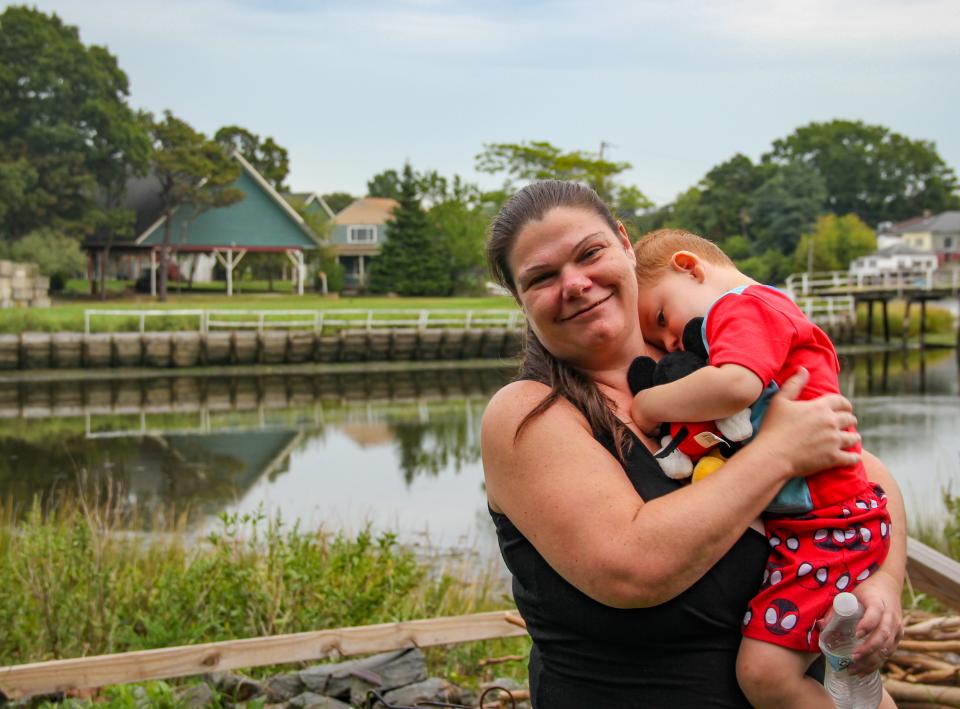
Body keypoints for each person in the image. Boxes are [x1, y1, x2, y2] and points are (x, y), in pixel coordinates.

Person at [482, 180, 905, 708]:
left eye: (589, 253)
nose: (575, 284)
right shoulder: (529, 412)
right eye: (542, 277)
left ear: (624, 244)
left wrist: (883, 585)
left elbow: (866, 471)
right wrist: (778, 453)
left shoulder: (705, 374)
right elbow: (630, 568)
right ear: (522, 302)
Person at [629, 228, 894, 708]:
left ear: (689, 267)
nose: (671, 343)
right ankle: (844, 676)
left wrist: (649, 404)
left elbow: (736, 386)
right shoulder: (754, 313)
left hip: (827, 524)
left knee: (764, 673)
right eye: (661, 340)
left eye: (663, 318)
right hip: (816, 523)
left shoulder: (743, 308)